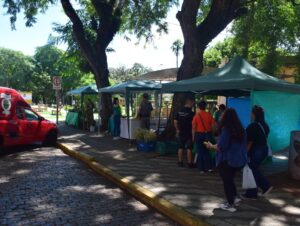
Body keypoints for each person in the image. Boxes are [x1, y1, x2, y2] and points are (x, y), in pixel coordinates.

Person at [205, 108, 247, 212]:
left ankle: (230, 204)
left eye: (223, 114)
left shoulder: (226, 129)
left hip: (227, 160)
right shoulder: (241, 129)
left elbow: (222, 146)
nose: (221, 116)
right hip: (239, 159)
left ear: (226, 117)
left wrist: (211, 146)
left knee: (227, 181)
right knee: (230, 179)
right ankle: (235, 198)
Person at [241, 105, 273, 200]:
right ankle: (252, 192)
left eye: (251, 112)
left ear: (254, 114)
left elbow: (250, 142)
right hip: (264, 150)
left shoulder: (253, 126)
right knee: (253, 169)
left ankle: (265, 186)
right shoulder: (265, 125)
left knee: (252, 170)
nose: (250, 114)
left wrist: (245, 153)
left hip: (256, 151)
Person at [192, 100, 215, 173]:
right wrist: (212, 133)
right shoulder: (209, 115)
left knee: (200, 152)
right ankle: (209, 168)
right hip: (207, 135)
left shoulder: (196, 116)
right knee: (207, 151)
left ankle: (201, 169)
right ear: (205, 106)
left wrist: (193, 137)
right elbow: (213, 125)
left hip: (198, 135)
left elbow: (193, 128)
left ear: (199, 107)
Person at [174, 97, 195, 168]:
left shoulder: (179, 111)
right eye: (193, 103)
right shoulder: (192, 113)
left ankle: (180, 162)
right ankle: (189, 163)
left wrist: (177, 129)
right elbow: (193, 125)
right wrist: (193, 135)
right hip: (189, 132)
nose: (193, 104)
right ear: (190, 102)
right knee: (189, 148)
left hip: (181, 132)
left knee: (180, 147)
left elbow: (175, 121)